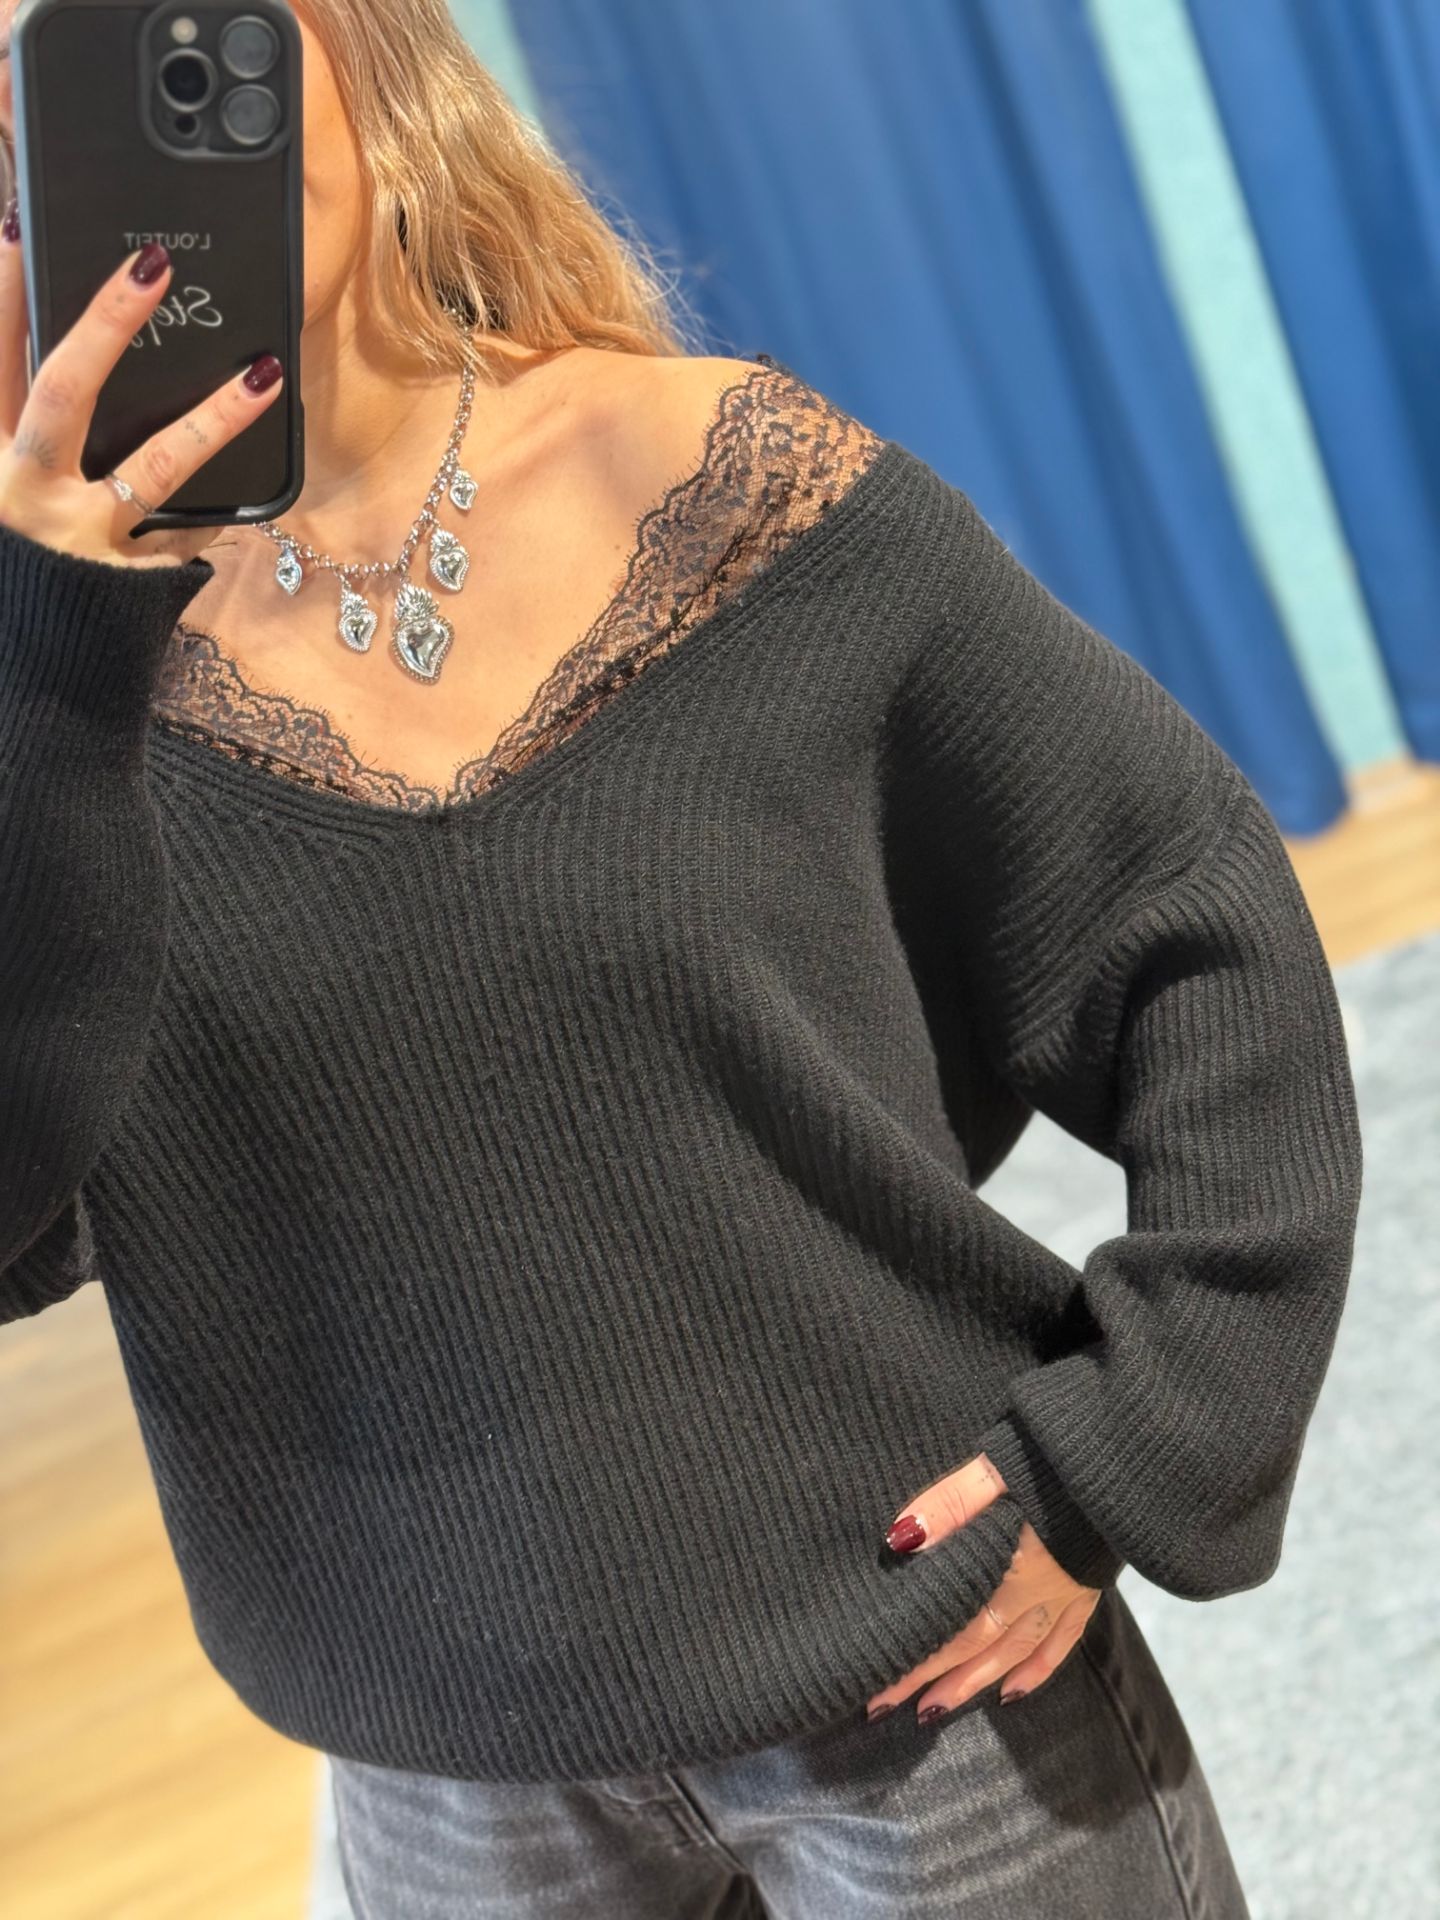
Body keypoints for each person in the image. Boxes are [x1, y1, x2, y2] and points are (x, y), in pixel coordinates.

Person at [0, 4, 1362, 1916]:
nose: (139, 167)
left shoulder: (726, 487)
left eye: (185, 55)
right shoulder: (40, 685)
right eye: (33, 127)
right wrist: (52, 676)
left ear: (363, 53)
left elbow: (1190, 919)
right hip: (444, 1779)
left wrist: (1139, 1443)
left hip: (924, 1673)